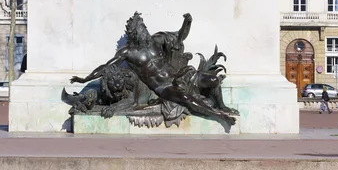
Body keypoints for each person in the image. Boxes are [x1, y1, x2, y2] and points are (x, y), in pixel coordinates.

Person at [70, 12, 237, 128]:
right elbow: (106, 67)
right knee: (186, 98)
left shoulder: (156, 40)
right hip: (164, 87)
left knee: (214, 81)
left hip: (181, 76)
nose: (144, 31)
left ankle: (222, 106)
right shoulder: (129, 52)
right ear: (134, 34)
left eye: (143, 27)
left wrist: (187, 22)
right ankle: (219, 115)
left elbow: (180, 36)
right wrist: (85, 80)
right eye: (140, 29)